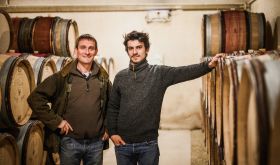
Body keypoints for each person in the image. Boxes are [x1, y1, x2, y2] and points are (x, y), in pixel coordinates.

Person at [107, 31, 221, 165]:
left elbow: (184, 72)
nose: (135, 52)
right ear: (127, 51)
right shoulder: (120, 77)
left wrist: (208, 65)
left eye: (139, 47)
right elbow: (113, 107)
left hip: (148, 144)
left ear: (147, 49)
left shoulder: (158, 73)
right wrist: (112, 133)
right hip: (123, 144)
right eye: (131, 48)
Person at [27, 34, 111, 165]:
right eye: (83, 48)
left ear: (96, 51)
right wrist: (57, 122)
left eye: (91, 48)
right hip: (70, 141)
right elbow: (35, 98)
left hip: (96, 142)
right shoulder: (62, 77)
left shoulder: (103, 79)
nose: (87, 52)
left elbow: (112, 105)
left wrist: (108, 128)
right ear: (76, 50)